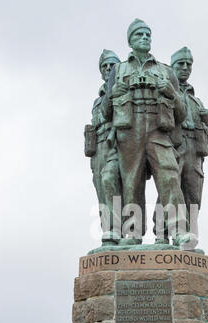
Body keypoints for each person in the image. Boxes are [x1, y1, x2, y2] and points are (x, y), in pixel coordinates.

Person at [101, 19, 195, 248]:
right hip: (129, 133)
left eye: (147, 35)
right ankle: (131, 233)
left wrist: (171, 92)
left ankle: (180, 232)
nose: (144, 38)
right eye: (139, 35)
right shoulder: (118, 70)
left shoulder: (166, 71)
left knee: (170, 177)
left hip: (158, 132)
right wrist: (113, 94)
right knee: (131, 184)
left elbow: (181, 115)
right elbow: (105, 112)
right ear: (130, 41)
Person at [84, 49, 122, 246]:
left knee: (110, 182)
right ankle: (108, 231)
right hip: (97, 148)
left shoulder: (122, 91)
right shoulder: (97, 100)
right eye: (105, 66)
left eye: (112, 65)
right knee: (101, 190)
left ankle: (119, 230)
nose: (108, 69)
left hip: (115, 144)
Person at [171, 47, 208, 221]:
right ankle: (163, 234)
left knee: (194, 195)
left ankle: (191, 232)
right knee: (170, 191)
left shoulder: (197, 102)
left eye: (189, 64)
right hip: (174, 147)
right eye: (181, 63)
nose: (186, 68)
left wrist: (207, 122)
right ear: (172, 67)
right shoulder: (167, 94)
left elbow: (207, 133)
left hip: (194, 151)